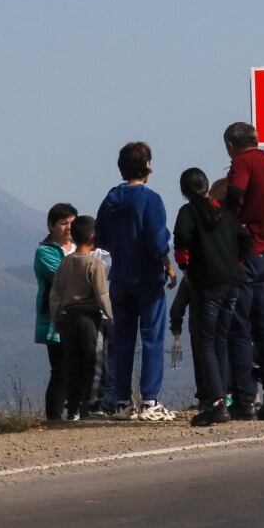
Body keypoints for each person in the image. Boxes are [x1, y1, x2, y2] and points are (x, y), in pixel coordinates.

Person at [94, 140, 177, 423]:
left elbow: (101, 237)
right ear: (148, 166)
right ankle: (150, 401)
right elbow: (157, 239)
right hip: (147, 277)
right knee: (152, 338)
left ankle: (120, 401)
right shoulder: (151, 199)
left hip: (120, 277)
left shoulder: (110, 199)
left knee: (123, 340)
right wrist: (167, 264)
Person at [224, 121, 264, 421]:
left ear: (231, 145)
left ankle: (244, 398)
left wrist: (225, 219)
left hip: (243, 254)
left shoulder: (242, 164)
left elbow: (236, 193)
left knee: (240, 328)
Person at [174, 167, 247, 426]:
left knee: (205, 341)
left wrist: (186, 269)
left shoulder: (188, 213)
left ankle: (215, 402)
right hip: (232, 281)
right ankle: (225, 398)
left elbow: (181, 243)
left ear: (184, 191)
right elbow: (244, 238)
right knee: (221, 340)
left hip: (208, 284)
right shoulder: (224, 211)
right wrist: (235, 261)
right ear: (206, 185)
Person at [50, 215, 113, 421]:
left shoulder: (66, 262)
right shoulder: (94, 265)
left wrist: (56, 317)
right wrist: (111, 317)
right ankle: (92, 405)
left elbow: (55, 294)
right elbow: (102, 295)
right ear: (93, 236)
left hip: (68, 317)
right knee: (93, 362)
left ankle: (73, 408)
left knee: (72, 363)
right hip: (90, 318)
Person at [34, 202, 77, 422]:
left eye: (72, 223)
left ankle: (76, 411)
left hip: (80, 318)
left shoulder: (80, 247)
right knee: (60, 369)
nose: (68, 228)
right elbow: (63, 278)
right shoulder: (44, 253)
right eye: (63, 223)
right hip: (55, 319)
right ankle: (54, 418)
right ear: (51, 225)